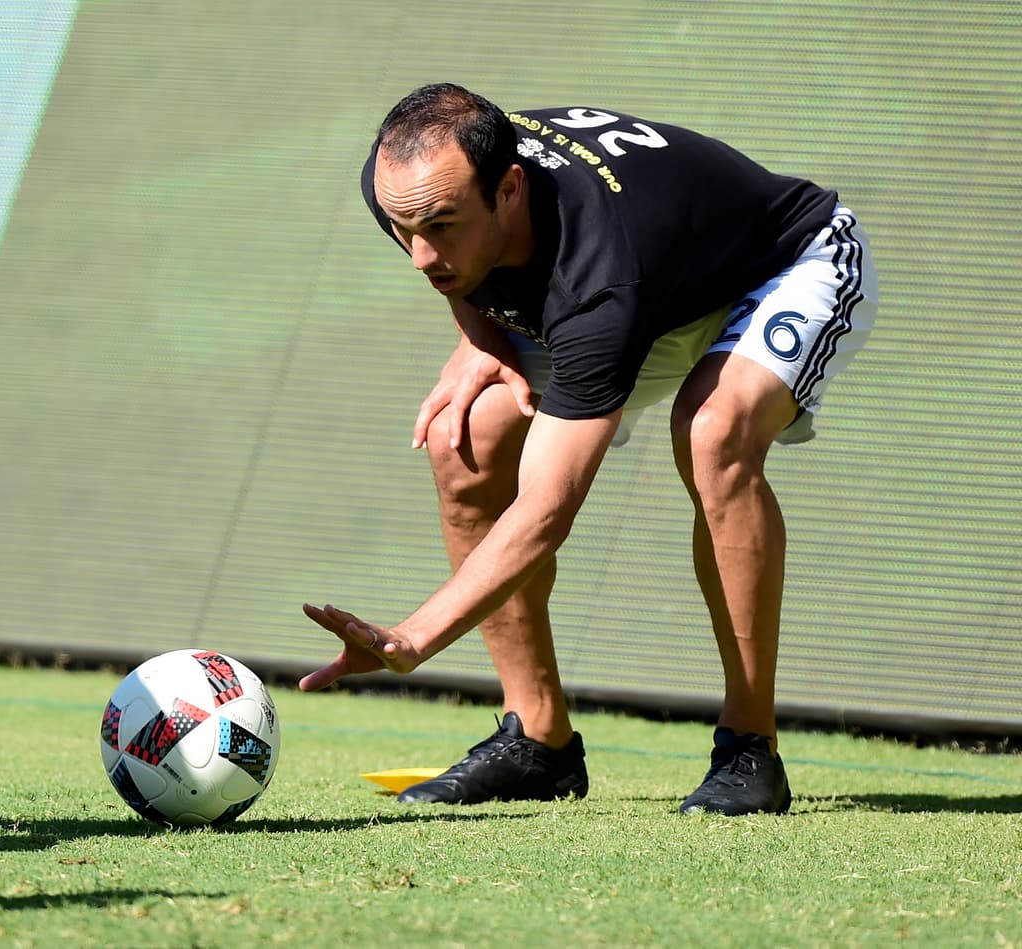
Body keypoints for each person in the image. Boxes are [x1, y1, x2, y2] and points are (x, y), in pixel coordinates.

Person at [298, 83, 878, 816]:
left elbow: (546, 510)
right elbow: (437, 243)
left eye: (441, 227)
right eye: (401, 226)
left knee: (712, 431)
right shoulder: (404, 183)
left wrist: (413, 637)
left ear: (509, 189)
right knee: (467, 439)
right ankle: (537, 738)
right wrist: (478, 334)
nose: (420, 254)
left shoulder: (599, 275)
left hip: (784, 267)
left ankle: (749, 746)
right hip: (654, 286)